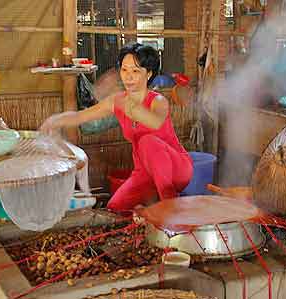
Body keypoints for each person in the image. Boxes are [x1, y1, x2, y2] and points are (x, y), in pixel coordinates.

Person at [40, 43, 193, 213]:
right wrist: (55, 120)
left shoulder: (158, 101)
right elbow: (80, 117)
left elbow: (154, 122)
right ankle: (148, 212)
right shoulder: (118, 101)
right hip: (145, 172)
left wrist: (130, 106)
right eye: (124, 70)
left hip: (177, 169)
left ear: (148, 74)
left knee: (147, 141)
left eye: (135, 71)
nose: (128, 77)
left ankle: (171, 208)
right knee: (115, 208)